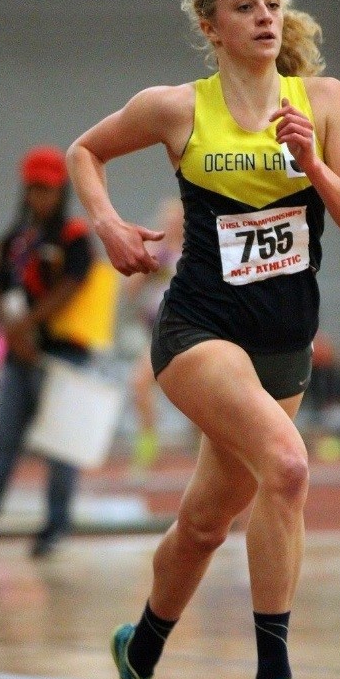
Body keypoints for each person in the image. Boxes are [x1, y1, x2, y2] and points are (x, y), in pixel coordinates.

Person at [66, 0, 340, 679]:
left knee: (206, 524)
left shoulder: (323, 102)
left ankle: (136, 659)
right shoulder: (175, 109)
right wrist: (105, 222)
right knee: (287, 465)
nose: (265, 17)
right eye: (244, 6)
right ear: (210, 26)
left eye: (272, 2)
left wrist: (310, 161)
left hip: (284, 343)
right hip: (199, 331)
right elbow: (84, 152)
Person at [0, 146, 95, 558]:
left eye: (47, 190)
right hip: (21, 355)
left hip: (64, 354)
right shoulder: (15, 239)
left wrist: (30, 324)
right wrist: (13, 332)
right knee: (3, 439)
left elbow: (74, 285)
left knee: (60, 446)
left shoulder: (73, 236)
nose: (40, 198)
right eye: (33, 189)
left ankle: (55, 526)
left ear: (61, 191)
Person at [124, 197, 184, 472]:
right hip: (158, 335)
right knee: (140, 383)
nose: (171, 226)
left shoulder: (194, 252)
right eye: (167, 221)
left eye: (176, 220)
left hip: (189, 333)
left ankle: (204, 455)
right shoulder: (156, 253)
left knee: (199, 395)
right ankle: (147, 448)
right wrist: (145, 262)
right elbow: (129, 292)